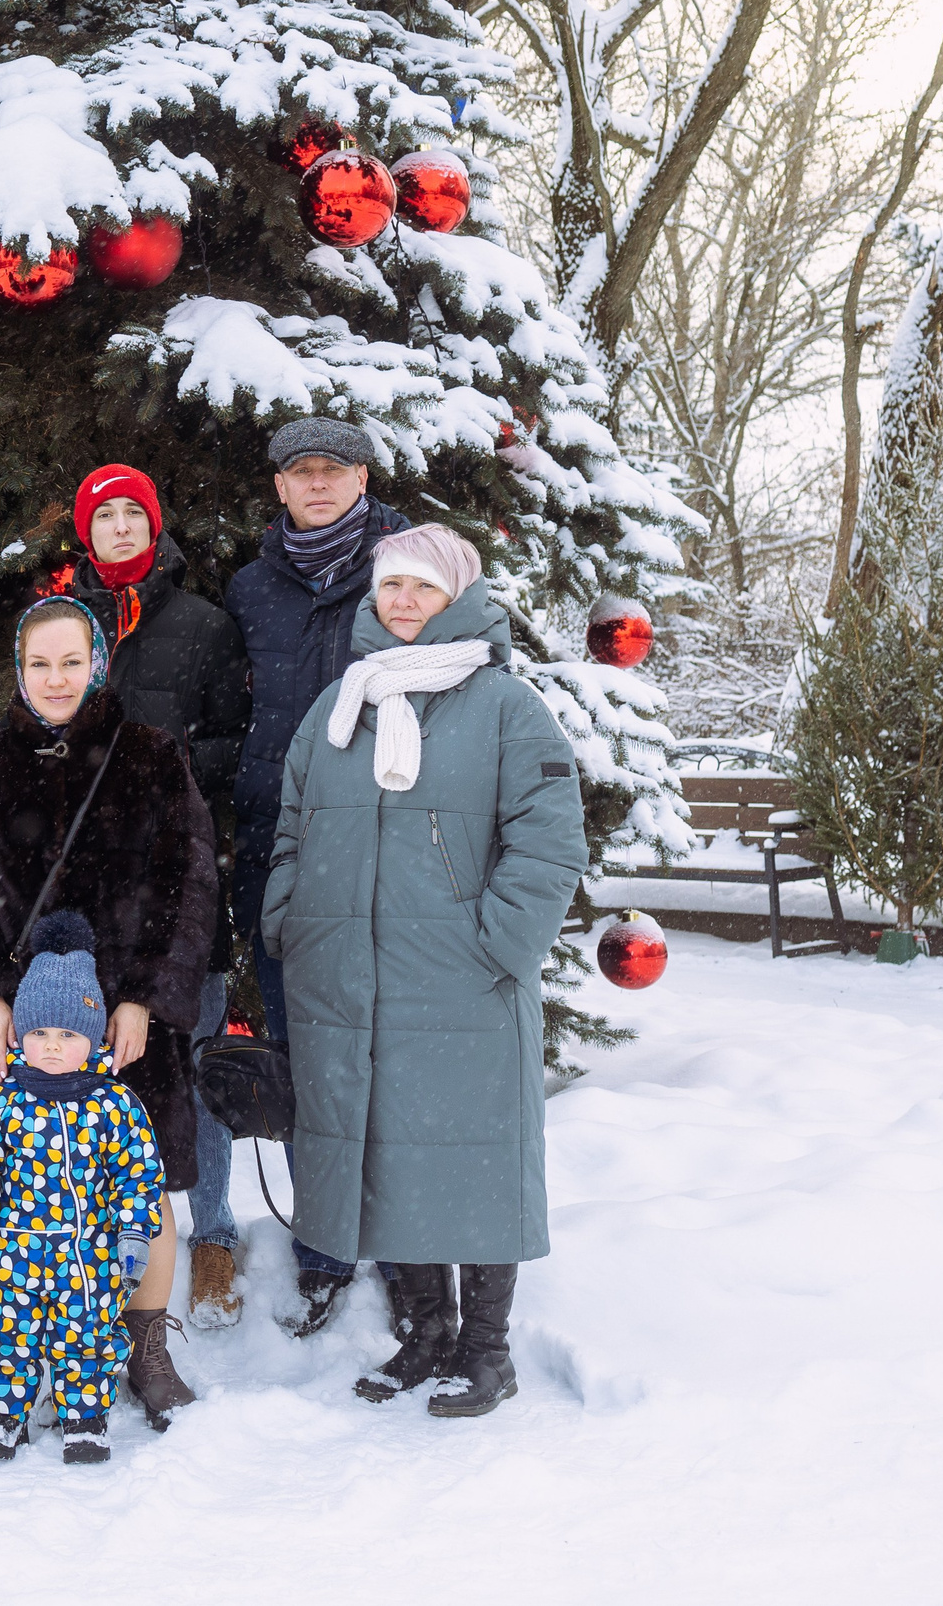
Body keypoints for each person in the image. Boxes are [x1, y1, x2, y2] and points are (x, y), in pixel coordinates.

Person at [262, 525, 587, 1418]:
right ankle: (427, 1338)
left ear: (458, 596)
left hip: (461, 981)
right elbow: (293, 823)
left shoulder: (504, 707)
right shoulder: (342, 703)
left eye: (421, 587)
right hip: (352, 978)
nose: (401, 602)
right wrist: (290, 916)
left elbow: (550, 844)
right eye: (389, 587)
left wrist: (496, 946)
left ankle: (488, 1350)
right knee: (390, 1155)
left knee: (475, 1160)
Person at [0, 594, 215, 1430]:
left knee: (144, 1184)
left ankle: (145, 1347)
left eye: (69, 661)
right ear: (18, 672)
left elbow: (190, 885)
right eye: (38, 664)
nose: (54, 679)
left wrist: (147, 1000)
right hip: (33, 1024)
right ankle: (42, 1346)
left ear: (97, 662)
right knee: (34, 1193)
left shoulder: (153, 757)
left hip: (130, 1023)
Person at [224, 418, 413, 1336]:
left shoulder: (409, 574)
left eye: (335, 471)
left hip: (386, 845)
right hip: (276, 850)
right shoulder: (251, 590)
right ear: (280, 489)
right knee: (304, 1051)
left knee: (390, 1052)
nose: (320, 485)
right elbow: (234, 712)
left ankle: (409, 1243)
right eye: (302, 473)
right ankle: (326, 1248)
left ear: (364, 478)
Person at [56, 464, 250, 1329]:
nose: (122, 529)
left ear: (156, 524)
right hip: (86, 901)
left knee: (194, 1067)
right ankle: (112, 1239)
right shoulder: (63, 624)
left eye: (136, 513)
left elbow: (234, 746)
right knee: (100, 1077)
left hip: (179, 888)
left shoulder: (205, 625)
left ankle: (211, 1238)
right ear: (86, 533)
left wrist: (152, 778)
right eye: (107, 517)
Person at [0, 914, 166, 1466]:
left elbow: (137, 1174)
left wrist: (137, 1232)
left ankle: (84, 1417)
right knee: (4, 1334)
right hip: (12, 1254)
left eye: (67, 1035)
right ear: (20, 1033)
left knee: (87, 1335)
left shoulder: (115, 1106)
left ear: (92, 1039)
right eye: (40, 1032)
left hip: (87, 1254)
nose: (50, 1046)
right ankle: (1, 1414)